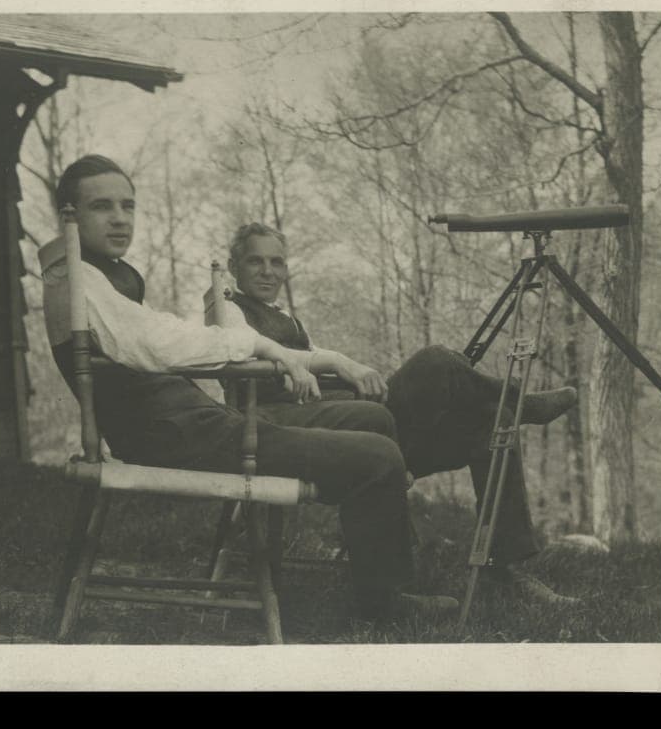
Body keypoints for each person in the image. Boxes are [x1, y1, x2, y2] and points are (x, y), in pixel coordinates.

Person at [39, 154, 457, 623]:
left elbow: (153, 335)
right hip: (177, 438)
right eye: (102, 207)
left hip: (187, 426)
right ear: (68, 216)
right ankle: (384, 603)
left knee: (373, 428)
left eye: (127, 206)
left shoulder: (94, 276)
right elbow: (157, 343)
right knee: (378, 456)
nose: (119, 218)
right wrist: (261, 345)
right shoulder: (79, 281)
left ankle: (380, 550)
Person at [210, 222, 581, 604]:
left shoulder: (288, 320)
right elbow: (244, 352)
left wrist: (351, 373)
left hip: (349, 423)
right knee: (436, 362)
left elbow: (319, 364)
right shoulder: (230, 310)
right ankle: (525, 403)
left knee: (491, 423)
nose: (268, 271)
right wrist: (328, 367)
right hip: (299, 434)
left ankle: (505, 565)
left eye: (276, 262)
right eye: (256, 262)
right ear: (235, 265)